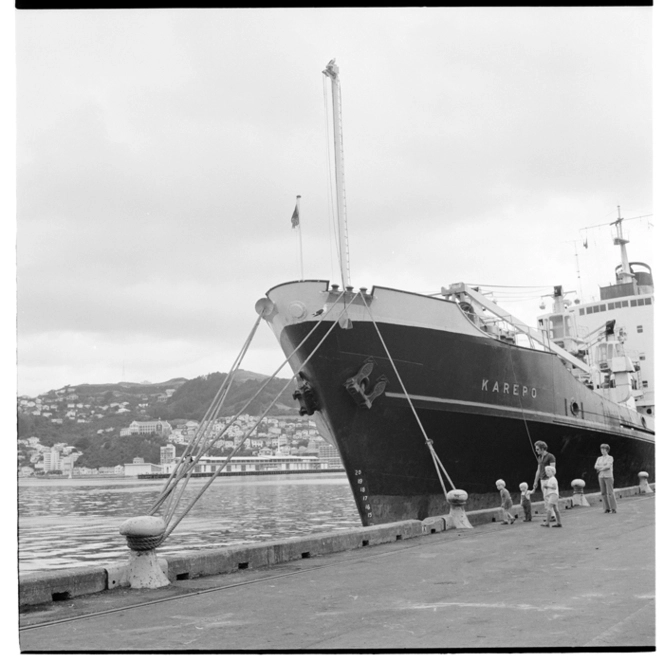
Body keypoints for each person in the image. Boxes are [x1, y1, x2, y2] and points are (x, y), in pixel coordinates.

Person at [594, 443, 617, 513]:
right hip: (601, 476)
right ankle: (606, 508)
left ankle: (613, 508)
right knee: (603, 493)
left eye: (604, 449)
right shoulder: (599, 458)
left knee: (610, 492)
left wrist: (600, 469)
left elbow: (608, 467)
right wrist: (603, 467)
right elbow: (595, 466)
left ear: (607, 450)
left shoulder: (610, 458)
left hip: (608, 476)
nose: (602, 451)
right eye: (601, 449)